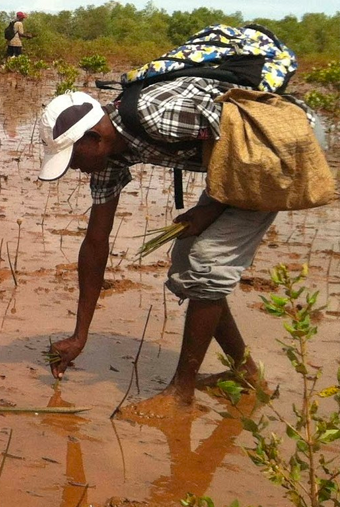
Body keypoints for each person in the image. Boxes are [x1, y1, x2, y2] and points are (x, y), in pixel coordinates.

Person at [36, 81, 320, 407]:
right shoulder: (107, 159)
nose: (74, 167)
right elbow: (96, 241)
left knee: (206, 263)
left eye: (73, 157)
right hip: (237, 164)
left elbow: (244, 137)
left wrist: (210, 208)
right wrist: (79, 336)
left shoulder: (155, 113)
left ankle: (180, 393)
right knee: (187, 258)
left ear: (94, 137)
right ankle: (246, 374)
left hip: (279, 148)